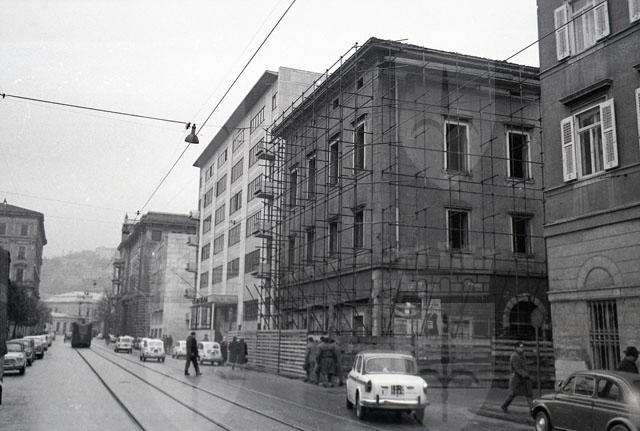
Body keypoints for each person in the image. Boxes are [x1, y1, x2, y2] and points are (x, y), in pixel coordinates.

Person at [501, 341, 532, 412]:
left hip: (524, 378)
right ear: (516, 348)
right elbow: (517, 368)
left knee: (529, 394)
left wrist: (526, 374)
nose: (522, 348)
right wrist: (525, 374)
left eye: (522, 347)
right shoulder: (514, 356)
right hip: (516, 378)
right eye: (520, 347)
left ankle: (532, 410)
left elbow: (524, 366)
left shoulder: (523, 355)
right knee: (513, 394)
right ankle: (504, 406)